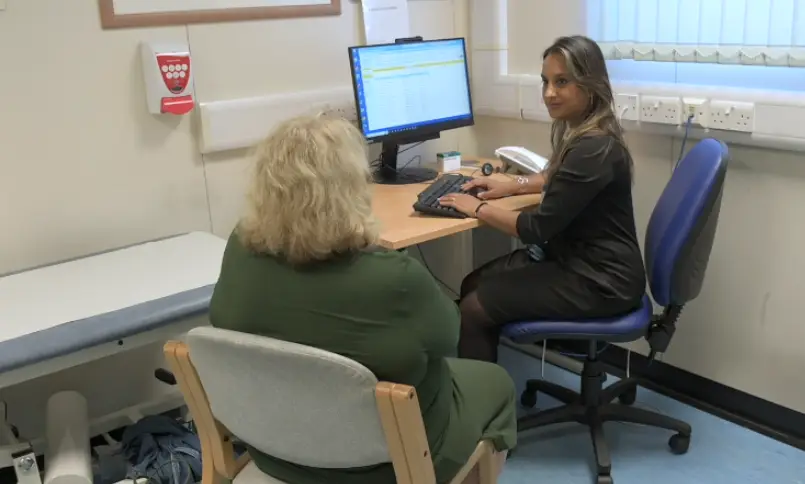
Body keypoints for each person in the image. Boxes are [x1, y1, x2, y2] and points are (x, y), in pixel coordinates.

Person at [208, 114, 517, 484]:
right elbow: (447, 338)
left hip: (274, 449)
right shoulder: (394, 278)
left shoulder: (239, 250)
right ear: (352, 187)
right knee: (496, 382)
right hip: (389, 464)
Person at [438, 35, 647, 363]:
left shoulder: (593, 148)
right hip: (577, 259)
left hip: (601, 279)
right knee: (473, 282)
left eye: (562, 82)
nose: (549, 93)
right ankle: (486, 377)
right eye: (545, 82)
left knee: (473, 309)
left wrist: (478, 207)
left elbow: (536, 228)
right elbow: (556, 178)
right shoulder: (587, 130)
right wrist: (513, 185)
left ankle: (483, 407)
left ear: (589, 84)